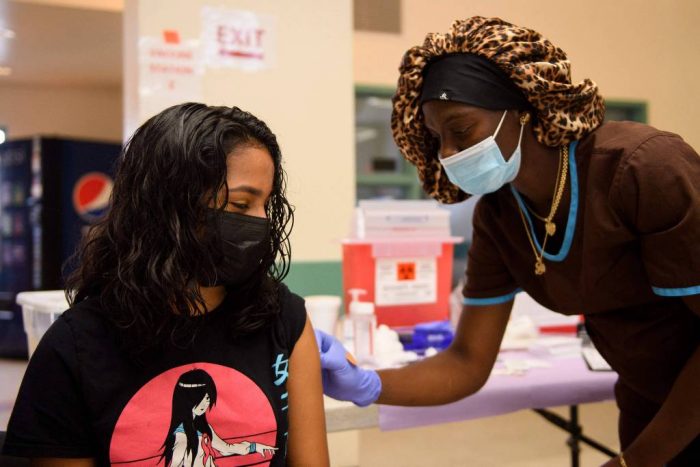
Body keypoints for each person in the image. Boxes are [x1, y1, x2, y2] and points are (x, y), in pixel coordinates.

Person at [316, 16, 699, 467]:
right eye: (438, 138)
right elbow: (466, 363)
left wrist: (637, 462)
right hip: (650, 403)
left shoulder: (641, 169)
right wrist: (366, 382)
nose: (448, 155)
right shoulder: (500, 214)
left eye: (462, 130)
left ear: (522, 108)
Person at [3, 103, 329, 466]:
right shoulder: (75, 347)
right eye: (240, 204)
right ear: (169, 206)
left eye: (266, 205)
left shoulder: (284, 319)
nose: (261, 222)